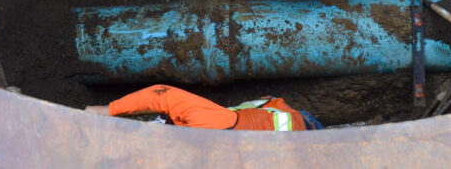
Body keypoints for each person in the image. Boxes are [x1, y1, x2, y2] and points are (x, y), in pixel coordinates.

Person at [85, 84, 322, 131]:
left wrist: (110, 110)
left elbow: (163, 95)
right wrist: (108, 110)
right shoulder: (208, 124)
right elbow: (164, 95)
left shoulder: (206, 124)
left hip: (294, 126)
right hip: (294, 128)